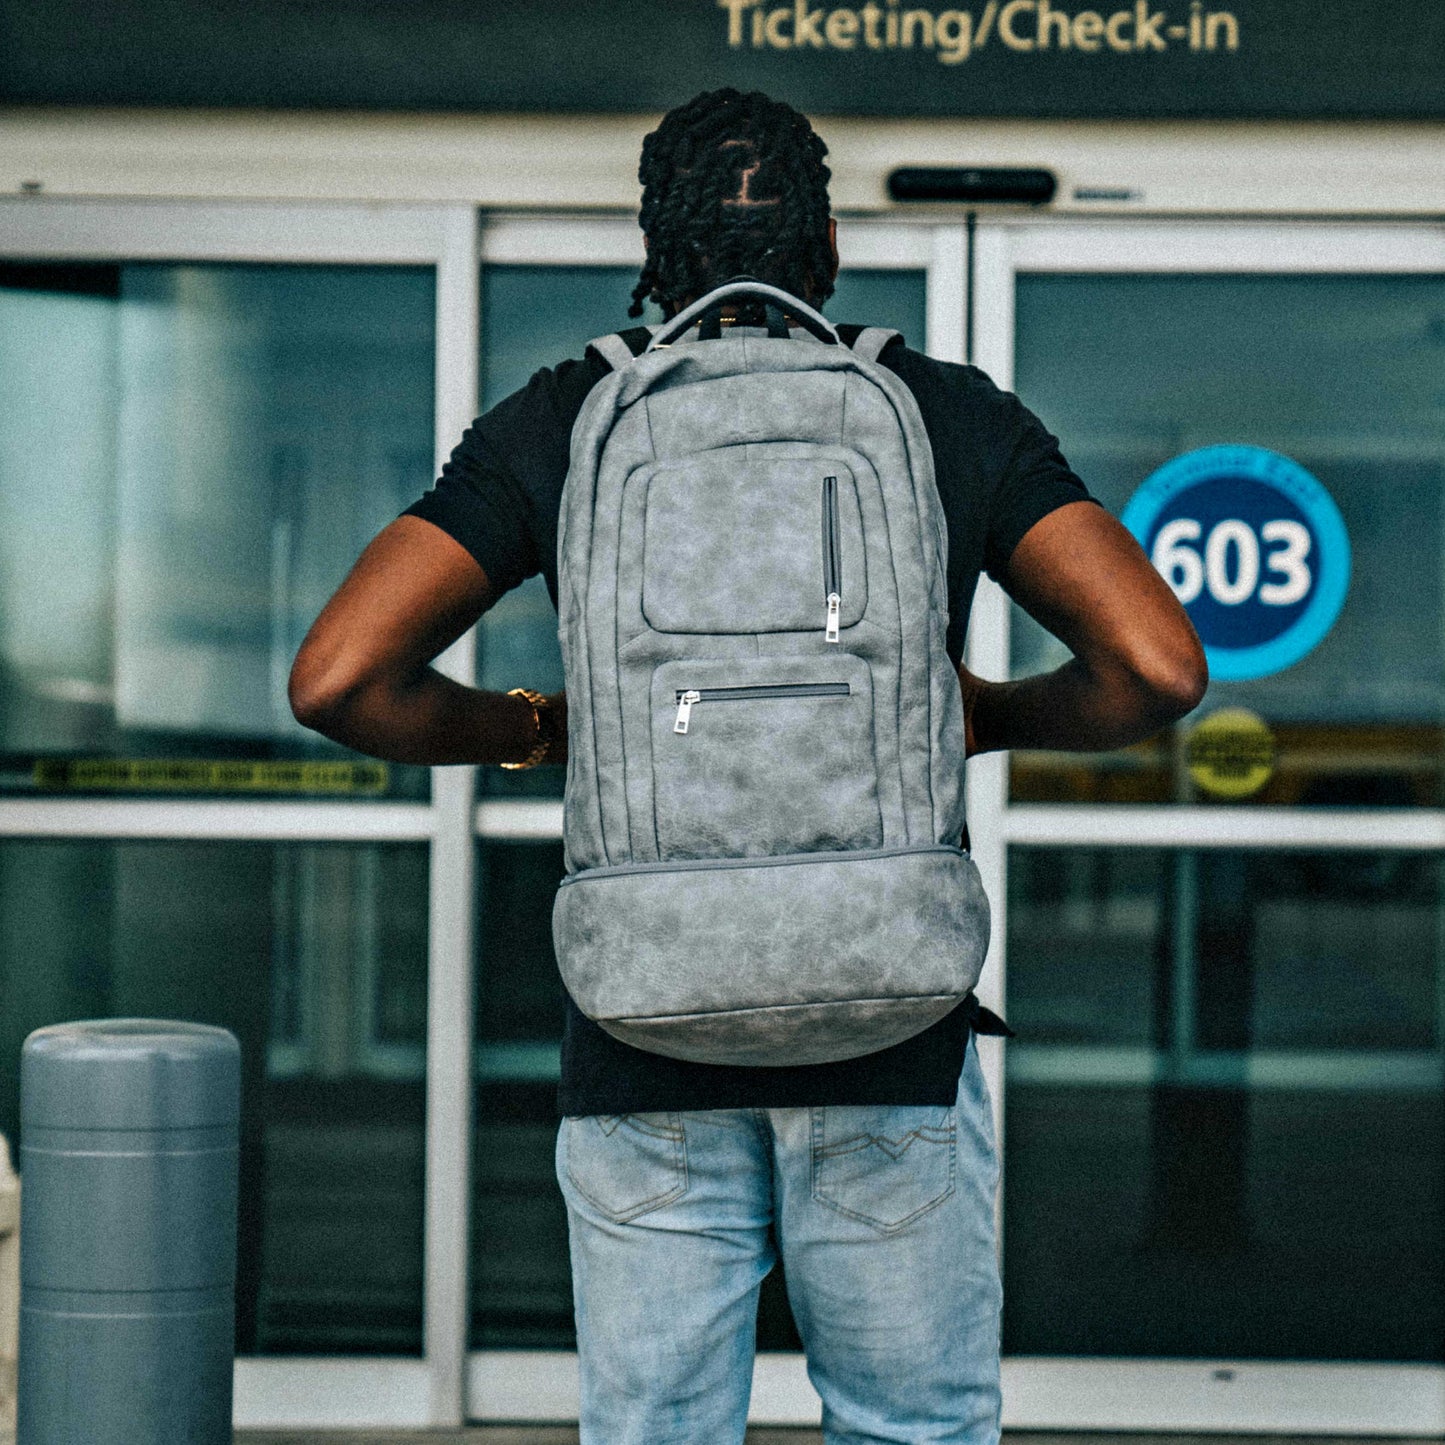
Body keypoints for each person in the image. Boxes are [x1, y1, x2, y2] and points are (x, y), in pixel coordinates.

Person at [289, 88, 1206, 1445]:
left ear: (652, 246)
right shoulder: (940, 413)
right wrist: (985, 713)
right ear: (825, 241)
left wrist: (529, 729)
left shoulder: (565, 419)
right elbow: (1155, 667)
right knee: (910, 1424)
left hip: (644, 1029)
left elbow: (338, 675)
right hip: (887, 1023)